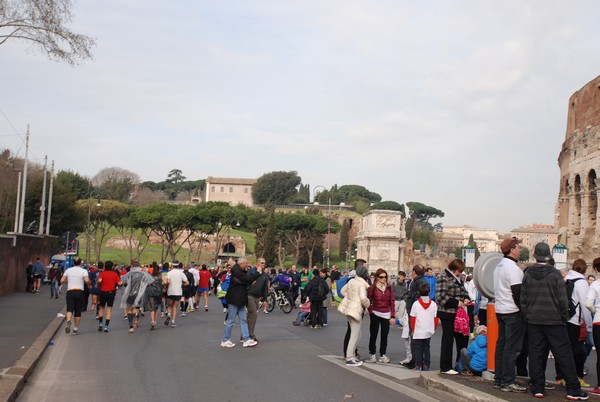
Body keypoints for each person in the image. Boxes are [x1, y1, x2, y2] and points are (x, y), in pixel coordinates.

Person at [522, 242, 589, 400]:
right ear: (548, 255)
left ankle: (537, 388)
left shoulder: (528, 274)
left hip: (534, 320)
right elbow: (562, 300)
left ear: (534, 256)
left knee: (536, 354)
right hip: (554, 320)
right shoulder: (555, 274)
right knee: (564, 355)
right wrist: (563, 316)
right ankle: (573, 390)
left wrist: (528, 315)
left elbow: (523, 299)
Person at [492, 237, 526, 392]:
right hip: (512, 311)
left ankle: (499, 378)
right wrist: (523, 310)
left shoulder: (498, 266)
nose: (520, 249)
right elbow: (517, 293)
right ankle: (508, 381)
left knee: (502, 346)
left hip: (500, 309)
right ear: (512, 249)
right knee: (512, 349)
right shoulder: (512, 268)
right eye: (518, 247)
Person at [436, 258, 470, 375]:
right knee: (448, 340)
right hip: (447, 313)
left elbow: (464, 291)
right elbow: (440, 297)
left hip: (458, 313)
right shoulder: (443, 277)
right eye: (459, 271)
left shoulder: (457, 279)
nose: (460, 274)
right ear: (454, 269)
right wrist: (456, 303)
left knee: (463, 338)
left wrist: (466, 298)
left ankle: (460, 364)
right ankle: (445, 366)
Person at [221, 257, 261, 348]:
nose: (247, 265)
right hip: (234, 299)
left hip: (240, 299)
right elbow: (247, 279)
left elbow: (247, 279)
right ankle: (225, 340)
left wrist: (250, 280)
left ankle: (246, 339)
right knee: (231, 321)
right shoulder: (236, 271)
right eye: (246, 263)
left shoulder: (240, 271)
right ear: (242, 264)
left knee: (243, 320)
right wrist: (258, 273)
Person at [564, 258, 592, 384]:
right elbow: (585, 305)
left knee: (564, 349)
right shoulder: (582, 282)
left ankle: (562, 376)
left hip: (564, 317)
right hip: (575, 319)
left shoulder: (566, 278)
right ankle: (574, 378)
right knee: (575, 351)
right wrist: (589, 325)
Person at [338, 264, 370, 367]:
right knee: (355, 335)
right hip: (356, 310)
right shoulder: (362, 285)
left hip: (349, 309)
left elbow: (342, 291)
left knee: (356, 333)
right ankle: (350, 357)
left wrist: (350, 298)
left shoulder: (352, 281)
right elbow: (363, 298)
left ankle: (351, 355)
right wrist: (368, 304)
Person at [402, 264, 429, 369]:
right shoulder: (422, 280)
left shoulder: (417, 281)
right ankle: (419, 361)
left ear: (414, 272)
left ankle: (416, 361)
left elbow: (415, 297)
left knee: (414, 337)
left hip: (415, 312)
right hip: (418, 311)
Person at [367, 268, 395, 364]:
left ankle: (382, 354)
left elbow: (392, 302)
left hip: (386, 313)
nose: (384, 279)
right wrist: (371, 312)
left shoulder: (389, 287)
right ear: (377, 278)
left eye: (385, 277)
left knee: (384, 336)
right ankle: (372, 354)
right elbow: (368, 300)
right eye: (381, 277)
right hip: (375, 312)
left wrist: (393, 316)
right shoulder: (372, 288)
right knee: (373, 334)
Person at [410, 282, 439, 371]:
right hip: (428, 330)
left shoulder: (416, 304)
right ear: (429, 292)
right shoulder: (433, 304)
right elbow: (436, 319)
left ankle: (418, 365)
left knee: (418, 348)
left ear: (419, 292)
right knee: (427, 348)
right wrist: (433, 329)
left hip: (418, 330)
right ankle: (426, 365)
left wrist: (413, 330)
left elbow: (413, 318)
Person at [120, 261, 154, 333]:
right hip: (139, 294)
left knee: (129, 310)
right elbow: (149, 282)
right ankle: (136, 318)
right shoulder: (143, 274)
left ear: (132, 266)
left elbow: (124, 283)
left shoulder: (129, 274)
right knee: (136, 308)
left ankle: (131, 327)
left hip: (130, 294)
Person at [60, 257, 91, 334]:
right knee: (78, 311)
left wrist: (68, 281)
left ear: (73, 263)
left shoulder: (68, 270)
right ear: (81, 263)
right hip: (79, 292)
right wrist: (89, 285)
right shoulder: (84, 271)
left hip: (70, 291)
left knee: (69, 309)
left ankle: (68, 320)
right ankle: (75, 329)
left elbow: (61, 280)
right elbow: (87, 280)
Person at [586, 257, 600, 396]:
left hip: (598, 321)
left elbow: (588, 303)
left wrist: (595, 312)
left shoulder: (595, 285)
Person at [97, 260, 122, 332]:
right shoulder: (114, 274)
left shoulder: (102, 273)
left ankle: (101, 323)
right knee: (109, 309)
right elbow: (119, 283)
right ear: (112, 266)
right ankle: (106, 326)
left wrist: (98, 284)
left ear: (105, 266)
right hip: (111, 292)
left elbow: (99, 281)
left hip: (103, 292)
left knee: (101, 307)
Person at [247, 258, 268, 342]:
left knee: (251, 316)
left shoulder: (264, 274)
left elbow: (265, 287)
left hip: (257, 297)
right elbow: (246, 281)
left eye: (264, 263)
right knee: (253, 314)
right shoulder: (251, 272)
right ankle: (251, 335)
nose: (263, 264)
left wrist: (265, 300)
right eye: (262, 263)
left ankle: (245, 335)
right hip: (249, 295)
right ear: (257, 264)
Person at [165, 262, 188, 328]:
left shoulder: (169, 273)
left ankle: (169, 314)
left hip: (171, 291)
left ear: (172, 265)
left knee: (169, 306)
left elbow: (168, 282)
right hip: (178, 292)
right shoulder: (181, 273)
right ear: (178, 266)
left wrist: (165, 284)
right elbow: (187, 282)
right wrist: (183, 284)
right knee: (175, 307)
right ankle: (173, 321)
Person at [144, 265, 165, 330]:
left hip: (151, 293)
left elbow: (146, 284)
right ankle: (155, 322)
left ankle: (152, 321)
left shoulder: (150, 276)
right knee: (156, 308)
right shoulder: (161, 276)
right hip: (159, 293)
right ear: (159, 270)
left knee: (152, 308)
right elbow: (165, 283)